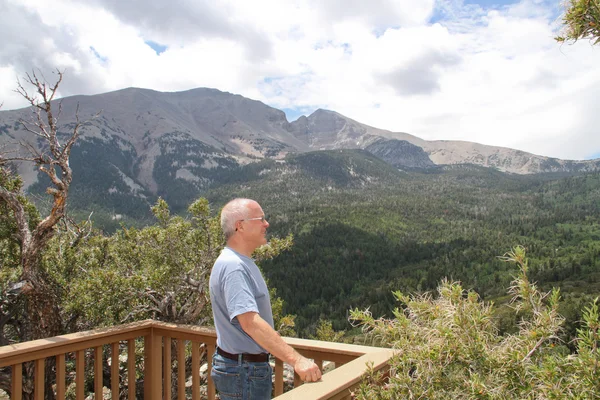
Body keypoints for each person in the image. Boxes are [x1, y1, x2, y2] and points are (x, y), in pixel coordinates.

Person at [209, 198, 322, 399]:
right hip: (244, 372)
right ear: (240, 226)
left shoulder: (237, 261)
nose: (266, 224)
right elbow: (250, 323)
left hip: (241, 369)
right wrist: (297, 360)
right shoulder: (234, 266)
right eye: (260, 218)